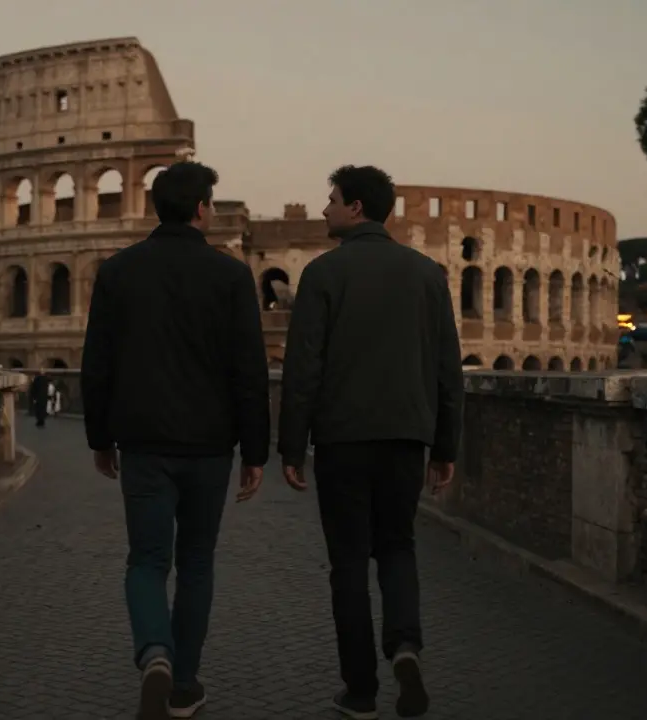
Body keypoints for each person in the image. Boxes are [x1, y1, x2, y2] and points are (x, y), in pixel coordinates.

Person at [81, 160, 270, 720]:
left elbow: (98, 365)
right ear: (201, 210)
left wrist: (99, 438)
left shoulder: (118, 271)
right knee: (196, 563)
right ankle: (184, 684)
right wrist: (255, 451)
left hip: (142, 441)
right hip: (210, 446)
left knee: (145, 560)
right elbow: (249, 371)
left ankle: (154, 653)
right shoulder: (231, 276)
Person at [277, 165, 464, 719]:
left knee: (349, 564)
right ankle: (405, 645)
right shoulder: (429, 275)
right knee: (399, 547)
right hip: (407, 437)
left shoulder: (323, 273)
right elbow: (447, 370)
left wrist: (291, 446)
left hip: (342, 440)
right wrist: (445, 447)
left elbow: (302, 368)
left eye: (332, 199)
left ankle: (360, 692)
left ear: (356, 207)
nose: (325, 209)